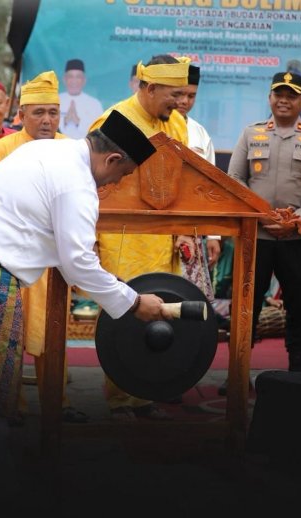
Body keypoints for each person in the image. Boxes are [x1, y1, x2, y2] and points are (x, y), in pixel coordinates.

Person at [0, 110, 170, 421]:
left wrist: (112, 286)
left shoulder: (50, 148)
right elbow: (77, 261)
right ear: (112, 160)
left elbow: (65, 251)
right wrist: (133, 303)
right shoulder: (76, 183)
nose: (117, 182)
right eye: (124, 173)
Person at [0, 70, 86, 423]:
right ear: (21, 115)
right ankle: (12, 405)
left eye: (53, 112)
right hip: (8, 260)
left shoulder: (72, 151)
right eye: (39, 113)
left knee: (51, 335)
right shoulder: (4, 149)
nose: (48, 120)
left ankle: (59, 403)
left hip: (52, 261)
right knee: (8, 336)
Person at [88, 54, 191, 420]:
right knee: (125, 315)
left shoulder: (176, 123)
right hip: (123, 238)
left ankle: (145, 394)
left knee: (162, 311)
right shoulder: (115, 121)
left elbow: (184, 181)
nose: (181, 102)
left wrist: (186, 232)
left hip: (164, 239)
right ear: (149, 88)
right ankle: (119, 398)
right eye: (174, 94)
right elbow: (94, 184)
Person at [228, 71, 301, 372]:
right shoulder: (251, 133)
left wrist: (296, 220)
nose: (284, 100)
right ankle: (237, 372)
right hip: (255, 236)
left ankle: (298, 371)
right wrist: (260, 214)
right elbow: (235, 177)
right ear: (270, 97)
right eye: (279, 94)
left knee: (299, 307)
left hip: (297, 239)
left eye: (291, 95)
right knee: (246, 305)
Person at [177, 64, 219, 300]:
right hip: (155, 231)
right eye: (180, 93)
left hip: (191, 228)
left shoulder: (199, 133)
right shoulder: (151, 128)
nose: (184, 100)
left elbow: (211, 187)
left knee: (189, 300)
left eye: (191, 95)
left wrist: (213, 235)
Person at [59, 59, 104, 139]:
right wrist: (64, 121)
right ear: (64, 79)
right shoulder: (55, 100)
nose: (74, 81)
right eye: (70, 77)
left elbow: (99, 133)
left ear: (84, 80)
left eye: (78, 77)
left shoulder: (94, 104)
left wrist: (78, 121)